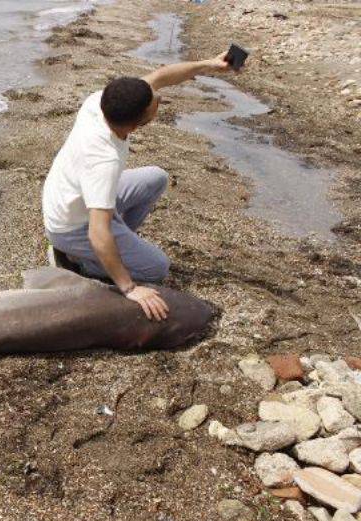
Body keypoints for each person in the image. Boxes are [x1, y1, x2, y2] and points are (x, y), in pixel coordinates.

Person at [42, 54, 233, 321]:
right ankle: (79, 260)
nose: (158, 98)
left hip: (71, 193)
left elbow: (162, 75)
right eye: (154, 102)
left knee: (155, 178)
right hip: (70, 225)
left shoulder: (99, 104)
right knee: (157, 268)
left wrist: (209, 65)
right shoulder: (103, 159)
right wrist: (129, 287)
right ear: (138, 123)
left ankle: (114, 248)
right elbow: (98, 231)